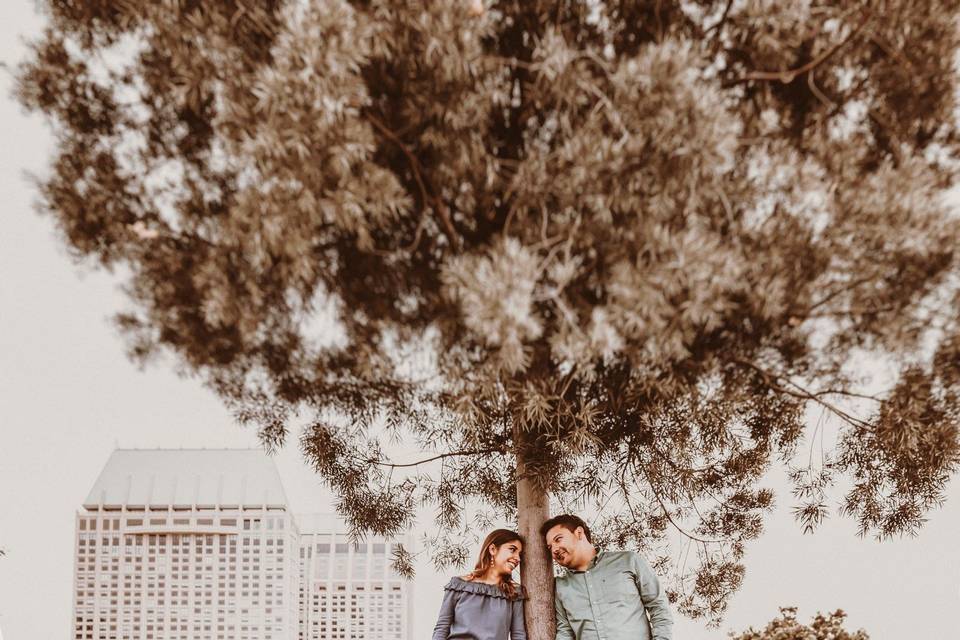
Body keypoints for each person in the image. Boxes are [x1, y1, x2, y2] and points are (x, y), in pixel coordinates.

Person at [541, 514, 673, 640]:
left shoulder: (628, 561)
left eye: (558, 539)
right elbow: (565, 632)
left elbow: (658, 607)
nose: (554, 550)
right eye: (550, 547)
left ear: (579, 533)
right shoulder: (561, 586)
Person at [432, 528, 527, 640]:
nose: (518, 558)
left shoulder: (514, 592)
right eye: (512, 550)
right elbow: (442, 628)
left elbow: (518, 635)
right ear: (492, 549)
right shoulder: (459, 585)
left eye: (520, 554)